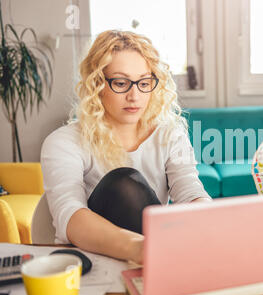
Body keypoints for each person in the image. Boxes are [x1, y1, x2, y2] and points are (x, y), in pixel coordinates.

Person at [41, 30, 211, 264]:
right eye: (121, 83)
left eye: (144, 82)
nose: (135, 95)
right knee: (124, 181)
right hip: (98, 258)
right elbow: (69, 213)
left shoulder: (170, 134)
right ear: (97, 85)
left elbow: (190, 192)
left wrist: (210, 222)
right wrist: (142, 249)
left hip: (156, 255)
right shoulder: (63, 142)